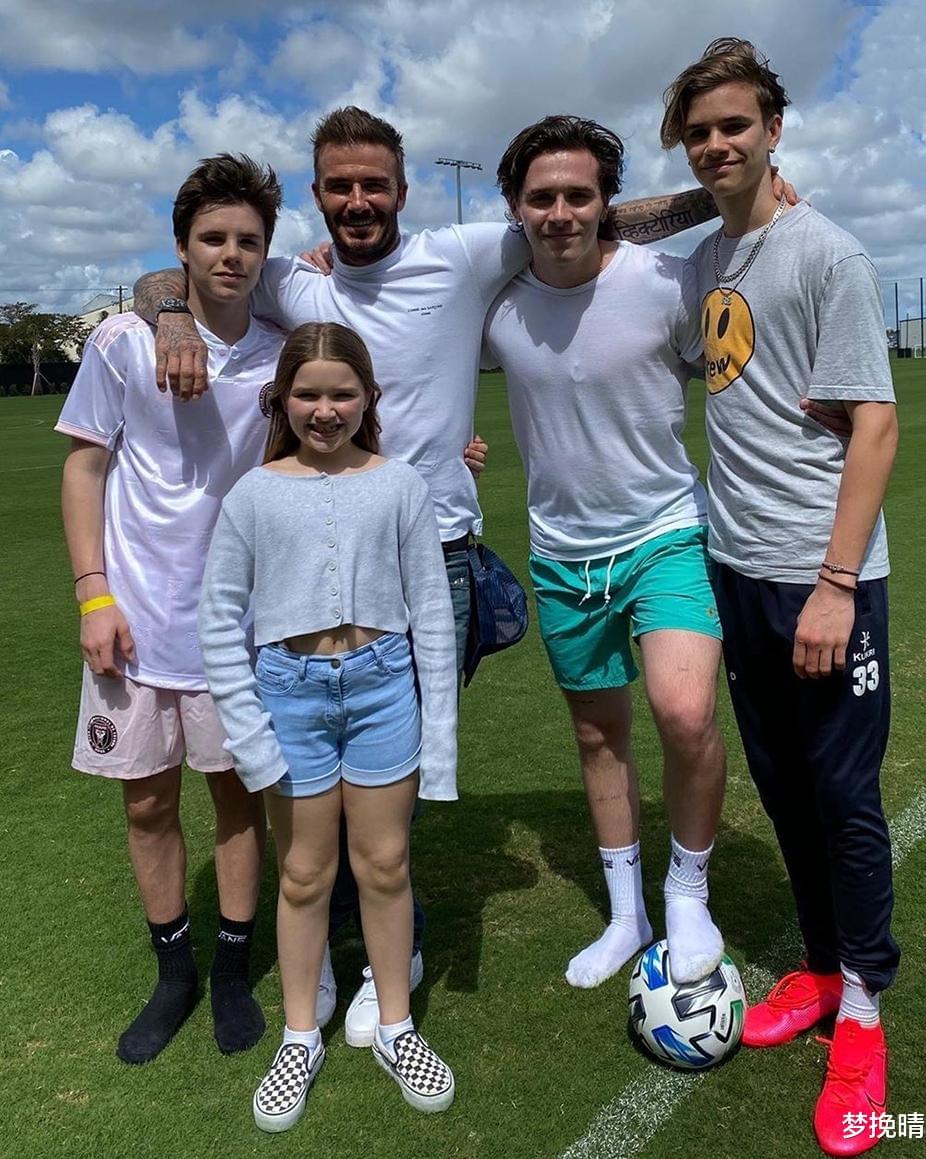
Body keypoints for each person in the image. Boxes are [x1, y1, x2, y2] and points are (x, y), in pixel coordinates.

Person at [132, 105, 719, 1040]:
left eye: (374, 183)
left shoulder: (462, 255)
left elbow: (589, 215)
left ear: (403, 190)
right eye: (339, 186)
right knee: (309, 767)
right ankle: (331, 946)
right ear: (318, 195)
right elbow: (178, 272)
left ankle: (389, 954)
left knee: (390, 763)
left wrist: (724, 193)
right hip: (315, 556)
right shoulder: (291, 279)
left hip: (434, 555)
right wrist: (168, 314)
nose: (358, 200)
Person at [662, 38, 900, 1157]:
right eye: (700, 131)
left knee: (843, 794)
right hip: (738, 568)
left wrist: (836, 586)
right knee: (784, 787)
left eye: (736, 126)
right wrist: (701, 197)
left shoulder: (828, 253)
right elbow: (600, 231)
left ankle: (865, 1010)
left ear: (774, 128)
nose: (719, 144)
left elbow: (875, 427)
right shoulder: (708, 258)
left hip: (824, 579)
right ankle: (819, 964)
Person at [484, 116, 726, 989]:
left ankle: (687, 892)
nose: (561, 213)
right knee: (598, 733)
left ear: (606, 202)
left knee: (685, 713)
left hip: (666, 532)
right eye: (542, 197)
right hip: (562, 554)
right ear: (516, 206)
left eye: (578, 195)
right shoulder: (495, 303)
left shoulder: (666, 282)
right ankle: (627, 914)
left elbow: (734, 378)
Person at [198, 322, 458, 1130]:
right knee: (305, 873)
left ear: (368, 397)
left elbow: (433, 614)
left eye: (342, 393)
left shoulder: (399, 484)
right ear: (281, 399)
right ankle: (300, 1034)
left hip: (383, 689)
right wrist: (250, 735)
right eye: (307, 393)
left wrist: (440, 741)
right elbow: (219, 620)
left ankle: (396, 1025)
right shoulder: (253, 492)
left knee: (385, 864)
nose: (325, 409)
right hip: (291, 695)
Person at [56, 154, 285, 1062]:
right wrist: (93, 595)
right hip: (133, 618)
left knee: (236, 795)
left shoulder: (279, 348)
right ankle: (174, 971)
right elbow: (85, 467)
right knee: (149, 803)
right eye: (212, 238)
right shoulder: (123, 340)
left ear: (265, 252)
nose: (231, 255)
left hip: (237, 625)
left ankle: (230, 967)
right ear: (181, 247)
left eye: (247, 241)